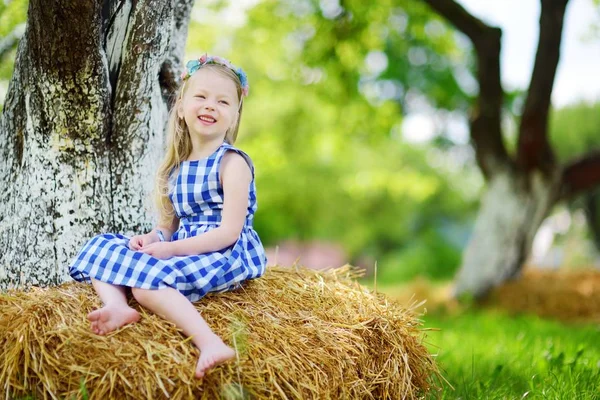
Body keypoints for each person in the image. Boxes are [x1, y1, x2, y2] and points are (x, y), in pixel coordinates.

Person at [69, 54, 267, 379]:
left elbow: (230, 231)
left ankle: (210, 342)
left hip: (223, 252)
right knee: (102, 246)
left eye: (223, 101)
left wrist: (171, 249)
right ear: (181, 105)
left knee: (146, 287)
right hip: (182, 246)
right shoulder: (177, 164)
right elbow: (168, 227)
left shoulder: (232, 163)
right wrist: (153, 239)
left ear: (234, 116)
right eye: (201, 97)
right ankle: (117, 306)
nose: (210, 106)